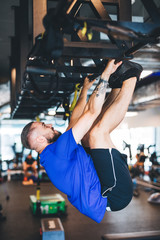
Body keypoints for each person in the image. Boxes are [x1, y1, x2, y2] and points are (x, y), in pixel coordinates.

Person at [21, 59, 142, 223]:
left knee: (86, 136)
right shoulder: (58, 153)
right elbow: (92, 111)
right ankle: (131, 77)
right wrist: (104, 75)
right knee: (97, 134)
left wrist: (85, 89)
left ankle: (117, 85)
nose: (49, 124)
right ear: (40, 138)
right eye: (44, 125)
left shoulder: (52, 152)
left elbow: (74, 122)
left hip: (101, 184)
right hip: (114, 195)